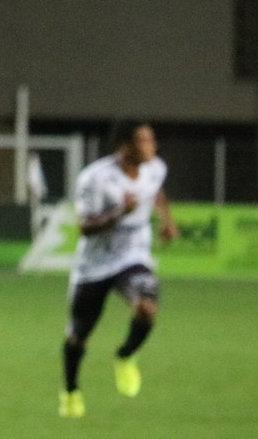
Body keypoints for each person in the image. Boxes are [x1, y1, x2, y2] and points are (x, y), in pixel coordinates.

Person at [58, 120, 177, 418]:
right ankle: (71, 391)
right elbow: (85, 228)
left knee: (147, 307)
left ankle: (124, 356)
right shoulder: (95, 178)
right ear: (124, 145)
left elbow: (155, 192)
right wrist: (119, 213)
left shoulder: (155, 168)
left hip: (132, 257)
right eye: (142, 141)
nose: (151, 146)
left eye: (152, 140)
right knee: (78, 336)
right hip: (94, 265)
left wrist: (167, 219)